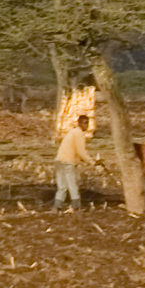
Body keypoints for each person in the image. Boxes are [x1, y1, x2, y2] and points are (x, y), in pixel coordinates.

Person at [50, 82, 99, 210]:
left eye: (87, 123)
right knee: (72, 185)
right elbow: (81, 151)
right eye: (85, 123)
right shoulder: (79, 134)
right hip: (68, 162)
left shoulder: (71, 132)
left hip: (59, 160)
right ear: (80, 124)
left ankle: (57, 207)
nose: (86, 126)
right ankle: (76, 207)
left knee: (62, 186)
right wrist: (93, 162)